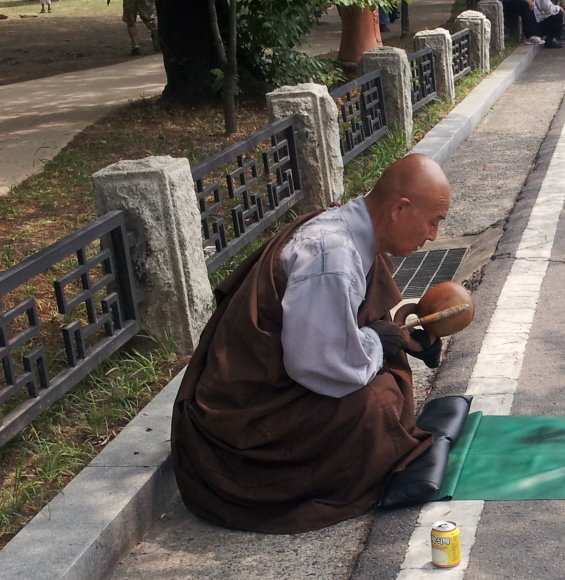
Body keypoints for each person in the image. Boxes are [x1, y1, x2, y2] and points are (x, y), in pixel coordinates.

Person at [172, 155, 452, 532]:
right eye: (433, 221)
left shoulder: (354, 230)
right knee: (378, 402)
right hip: (246, 422)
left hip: (277, 381)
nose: (433, 235)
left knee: (387, 375)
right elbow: (319, 364)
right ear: (400, 209)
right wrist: (378, 341)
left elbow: (356, 321)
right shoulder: (331, 254)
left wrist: (403, 339)